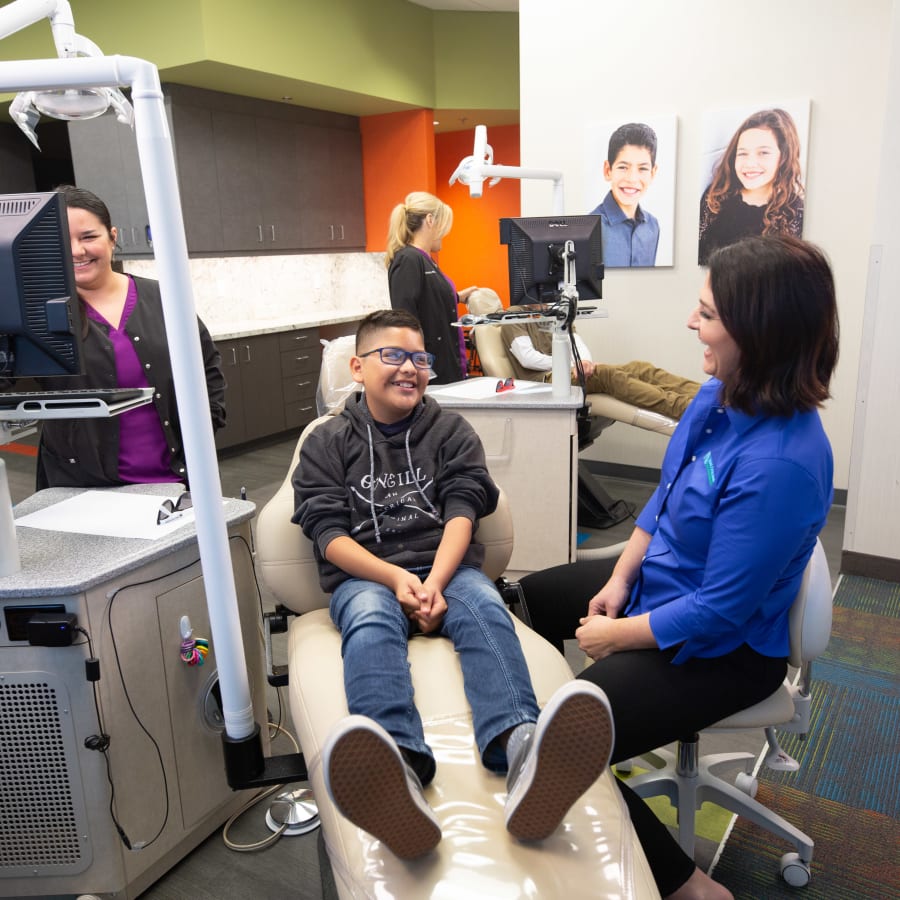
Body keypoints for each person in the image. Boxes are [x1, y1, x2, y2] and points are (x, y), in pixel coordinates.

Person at [518, 235, 839, 899]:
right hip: (660, 589)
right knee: (515, 601)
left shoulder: (782, 463)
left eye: (708, 314)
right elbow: (661, 502)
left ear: (762, 331)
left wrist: (613, 638)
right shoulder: (719, 397)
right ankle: (518, 730)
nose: (692, 323)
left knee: (565, 744)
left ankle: (689, 885)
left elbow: (719, 611)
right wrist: (616, 579)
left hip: (722, 650)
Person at [292, 308, 614, 860]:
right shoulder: (328, 442)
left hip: (449, 568)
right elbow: (328, 535)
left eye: (419, 358)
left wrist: (437, 582)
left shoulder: (448, 430)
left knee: (486, 608)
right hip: (367, 575)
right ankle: (398, 768)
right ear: (358, 366)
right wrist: (396, 579)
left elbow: (463, 511)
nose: (409, 369)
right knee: (370, 622)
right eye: (392, 355)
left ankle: (521, 748)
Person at [33, 185, 225, 490]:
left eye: (88, 236)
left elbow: (206, 365)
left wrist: (204, 430)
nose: (76, 251)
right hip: (83, 490)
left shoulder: (163, 298)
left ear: (112, 236)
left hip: (176, 481)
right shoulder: (37, 314)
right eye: (60, 240)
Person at [501, 316, 700, 420]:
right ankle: (687, 409)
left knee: (641, 368)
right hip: (545, 382)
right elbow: (527, 358)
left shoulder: (554, 312)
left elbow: (575, 342)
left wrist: (586, 363)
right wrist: (574, 364)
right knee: (606, 375)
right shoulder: (513, 318)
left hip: (568, 371)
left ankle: (707, 394)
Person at [385, 191, 477, 385]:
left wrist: (457, 297)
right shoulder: (409, 259)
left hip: (447, 362)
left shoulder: (426, 260)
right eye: (444, 226)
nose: (445, 233)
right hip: (431, 369)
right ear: (430, 220)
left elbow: (427, 300)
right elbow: (405, 319)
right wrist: (421, 367)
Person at [698, 108, 805, 265]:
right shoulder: (715, 196)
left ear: (784, 157)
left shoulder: (794, 211)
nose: (750, 164)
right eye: (742, 153)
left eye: (763, 153)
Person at [589, 123, 660, 267]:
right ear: (608, 170)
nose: (632, 179)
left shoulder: (653, 226)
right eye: (623, 167)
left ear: (653, 173)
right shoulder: (591, 228)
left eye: (642, 168)